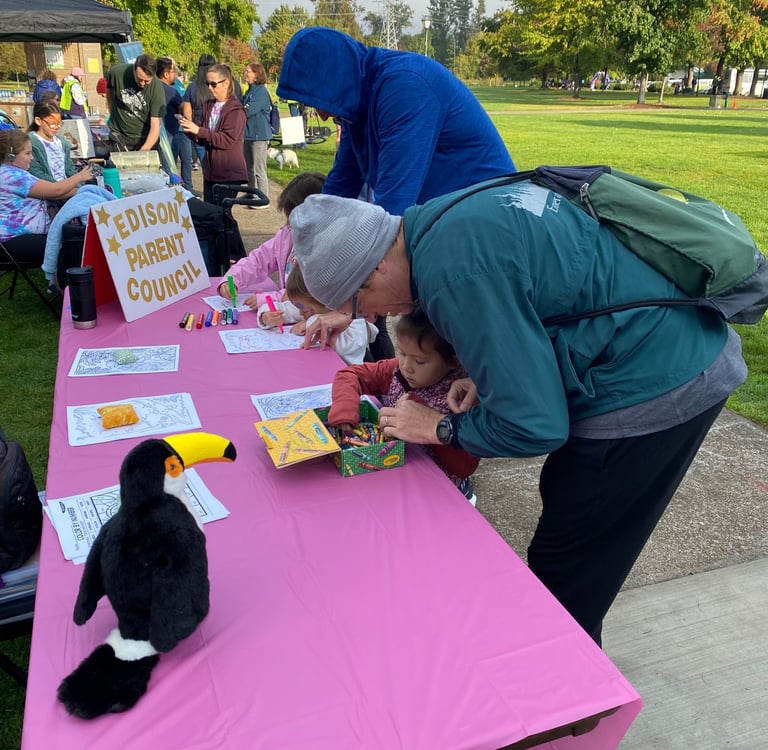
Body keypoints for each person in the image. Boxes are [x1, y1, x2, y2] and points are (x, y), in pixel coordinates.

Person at [288, 186, 748, 646]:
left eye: (360, 306)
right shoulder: (434, 221)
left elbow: (534, 427)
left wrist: (439, 427)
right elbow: (539, 298)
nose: (380, 315)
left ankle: (566, 681)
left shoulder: (452, 276)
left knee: (568, 569)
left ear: (374, 270)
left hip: (657, 379)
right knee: (567, 548)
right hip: (667, 342)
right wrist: (486, 372)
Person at [277, 27, 516, 360]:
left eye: (322, 101)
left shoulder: (405, 86)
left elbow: (390, 216)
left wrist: (347, 305)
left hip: (484, 237)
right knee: (434, 351)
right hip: (445, 232)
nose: (323, 115)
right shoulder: (357, 104)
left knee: (464, 350)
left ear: (338, 80)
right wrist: (305, 261)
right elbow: (337, 193)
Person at [328, 309, 480, 504]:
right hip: (390, 470)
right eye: (402, 352)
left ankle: (465, 492)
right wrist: (345, 409)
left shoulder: (463, 399)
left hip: (434, 489)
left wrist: (431, 427)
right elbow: (351, 375)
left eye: (419, 361)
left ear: (453, 360)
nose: (407, 366)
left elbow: (464, 467)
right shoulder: (396, 370)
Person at [0, 129, 92, 287]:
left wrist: (85, 191)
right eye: (28, 153)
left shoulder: (10, 172)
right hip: (12, 240)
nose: (32, 157)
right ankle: (69, 289)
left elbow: (51, 191)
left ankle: (67, 287)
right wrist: (80, 177)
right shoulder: (13, 176)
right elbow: (56, 191)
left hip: (13, 239)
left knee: (74, 237)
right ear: (11, 156)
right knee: (74, 244)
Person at [217, 172, 324, 307]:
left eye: (295, 217)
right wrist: (233, 279)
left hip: (308, 314)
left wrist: (270, 299)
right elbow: (258, 260)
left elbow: (309, 293)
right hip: (287, 311)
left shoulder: (324, 247)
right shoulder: (287, 234)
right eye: (289, 217)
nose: (291, 223)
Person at [255, 264, 376, 366]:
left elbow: (344, 349)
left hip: (345, 377)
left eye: (305, 310)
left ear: (324, 300)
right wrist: (266, 316)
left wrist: (310, 322)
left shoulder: (354, 318)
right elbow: (283, 308)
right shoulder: (308, 308)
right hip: (315, 368)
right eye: (300, 308)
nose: (301, 313)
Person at [179, 63, 247, 204]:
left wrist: (199, 131)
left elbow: (226, 140)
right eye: (207, 83)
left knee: (221, 212)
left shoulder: (236, 110)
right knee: (211, 212)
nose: (209, 88)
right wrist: (189, 130)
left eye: (213, 84)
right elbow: (204, 138)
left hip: (228, 171)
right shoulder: (208, 105)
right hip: (211, 172)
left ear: (226, 83)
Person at [106, 54, 166, 152]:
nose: (142, 83)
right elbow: (109, 90)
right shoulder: (116, 73)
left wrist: (143, 151)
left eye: (146, 81)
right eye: (139, 79)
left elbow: (155, 125)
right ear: (134, 69)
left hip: (144, 136)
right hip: (120, 134)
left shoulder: (157, 89)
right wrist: (111, 111)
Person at [156, 56, 193, 191]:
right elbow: (184, 108)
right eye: (173, 72)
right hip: (170, 133)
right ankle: (176, 192)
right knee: (171, 168)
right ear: (166, 74)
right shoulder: (171, 91)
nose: (175, 75)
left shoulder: (151, 88)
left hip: (155, 134)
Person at [241, 62, 271, 206]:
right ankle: (251, 192)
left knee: (259, 168)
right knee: (249, 168)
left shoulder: (261, 92)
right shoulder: (249, 91)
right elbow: (241, 107)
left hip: (259, 135)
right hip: (248, 134)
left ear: (257, 74)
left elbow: (248, 111)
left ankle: (263, 198)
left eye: (248, 71)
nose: (245, 74)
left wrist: (244, 108)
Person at [27, 101, 77, 184]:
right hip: (47, 188)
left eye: (59, 123)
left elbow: (70, 170)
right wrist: (61, 187)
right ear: (38, 121)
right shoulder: (29, 144)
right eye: (52, 123)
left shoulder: (62, 143)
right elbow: (35, 172)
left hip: (67, 186)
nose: (56, 127)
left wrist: (78, 184)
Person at [181, 54, 216, 170]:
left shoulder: (192, 87)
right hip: (215, 132)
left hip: (199, 131)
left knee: (206, 168)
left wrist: (193, 131)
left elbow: (187, 113)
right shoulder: (217, 86)